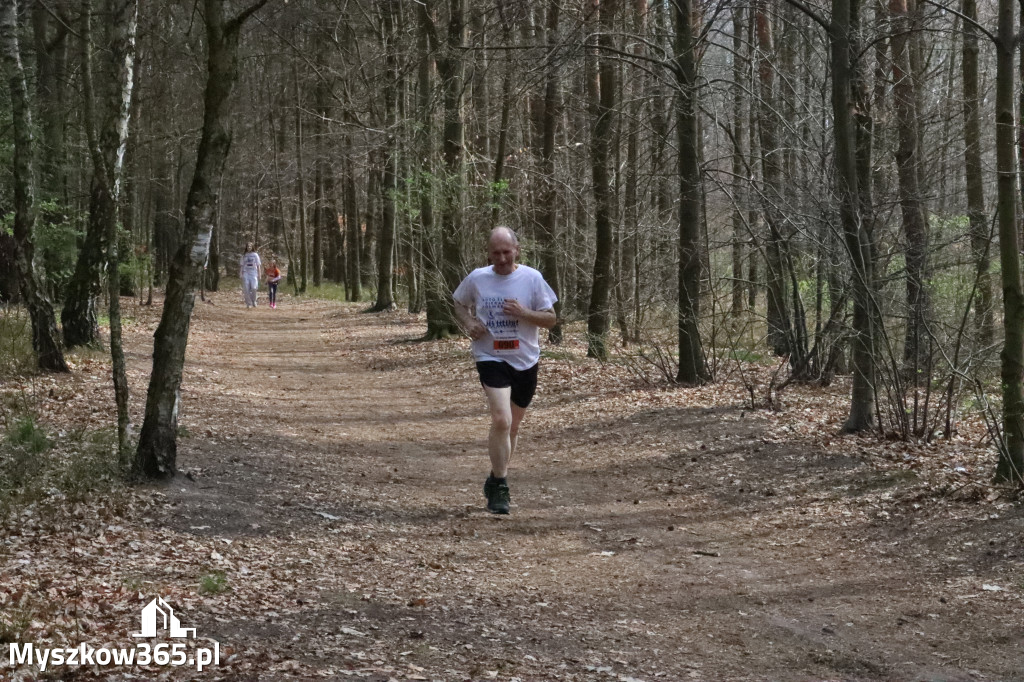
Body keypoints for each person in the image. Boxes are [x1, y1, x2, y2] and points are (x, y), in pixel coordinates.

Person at [453, 226, 558, 514]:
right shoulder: (478, 278)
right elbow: (459, 304)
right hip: (490, 355)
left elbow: (551, 319)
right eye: (496, 253)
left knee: (512, 426)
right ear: (489, 253)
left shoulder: (532, 278)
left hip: (525, 359)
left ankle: (494, 476)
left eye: (506, 252)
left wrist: (524, 313)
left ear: (517, 250)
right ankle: (501, 486)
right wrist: (469, 323)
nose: (501, 258)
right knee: (501, 419)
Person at [239, 243, 262, 308]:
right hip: (246, 273)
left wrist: (259, 274)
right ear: (246, 247)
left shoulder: (255, 255)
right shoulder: (244, 255)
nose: (249, 247)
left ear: (252, 247)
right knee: (246, 288)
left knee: (254, 288)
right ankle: (248, 303)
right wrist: (240, 273)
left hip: (253, 273)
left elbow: (258, 265)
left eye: (250, 246)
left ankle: (254, 300)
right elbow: (242, 265)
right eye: (248, 246)